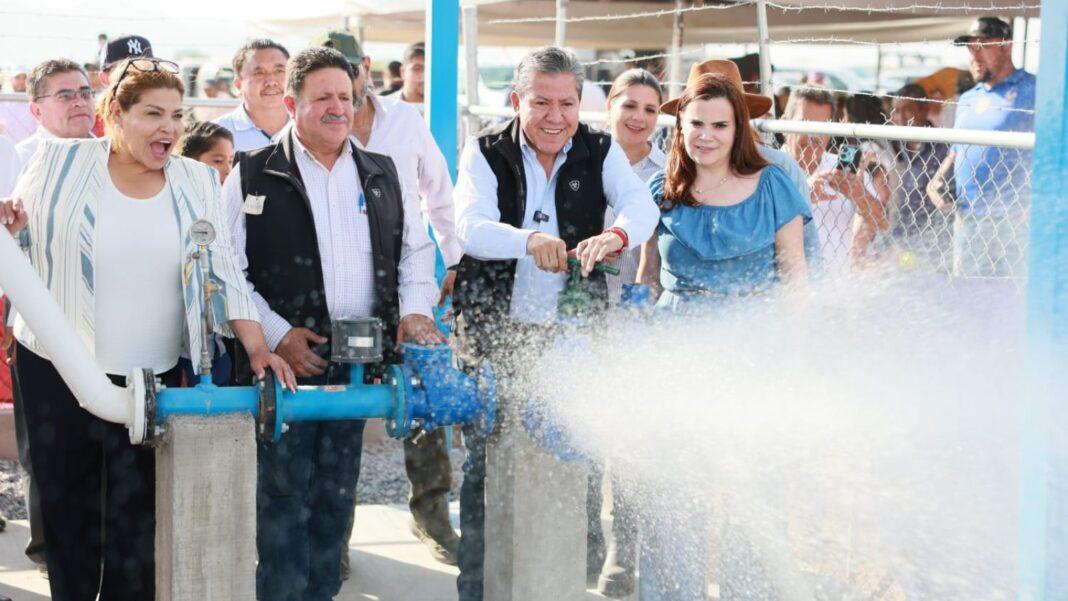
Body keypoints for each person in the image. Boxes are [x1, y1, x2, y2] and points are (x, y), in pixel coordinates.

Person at [1, 56, 293, 601]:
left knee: (137, 518)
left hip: (149, 378)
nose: (169, 128)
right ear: (116, 113)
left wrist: (257, 347)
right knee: (66, 509)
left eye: (177, 115)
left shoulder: (197, 180)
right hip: (58, 368)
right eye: (153, 114)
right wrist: (12, 224)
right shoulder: (59, 162)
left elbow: (224, 270)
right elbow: (19, 241)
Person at [222, 46, 442, 601]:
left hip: (358, 365)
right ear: (291, 103)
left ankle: (321, 593)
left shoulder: (383, 171)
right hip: (283, 369)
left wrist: (415, 312)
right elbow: (227, 269)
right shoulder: (251, 173)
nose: (338, 107)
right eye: (323, 97)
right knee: (282, 496)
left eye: (345, 96)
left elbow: (416, 252)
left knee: (335, 497)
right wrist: (277, 336)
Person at [452, 45, 658, 601]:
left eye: (567, 103)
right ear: (516, 101)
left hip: (571, 337)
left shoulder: (600, 149)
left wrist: (616, 235)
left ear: (580, 104)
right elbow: (470, 228)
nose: (555, 116)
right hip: (496, 333)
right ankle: (478, 588)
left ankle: (564, 580)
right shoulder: (484, 151)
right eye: (541, 102)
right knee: (484, 467)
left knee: (572, 457)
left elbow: (641, 205)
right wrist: (529, 241)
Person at [635, 73, 809, 600]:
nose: (706, 136)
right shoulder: (660, 192)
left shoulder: (775, 185)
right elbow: (647, 278)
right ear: (680, 127)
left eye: (719, 125)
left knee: (754, 495)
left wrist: (796, 364)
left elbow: (796, 279)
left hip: (754, 354)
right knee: (672, 494)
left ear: (739, 130)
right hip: (674, 354)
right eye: (696, 124)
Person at [316, 29, 463, 568]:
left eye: (350, 70)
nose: (345, 85)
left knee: (425, 395)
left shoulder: (405, 121)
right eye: (331, 76)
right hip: (342, 288)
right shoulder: (313, 126)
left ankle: (432, 514)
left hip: (406, 283)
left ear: (367, 67)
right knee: (339, 411)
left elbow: (439, 196)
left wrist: (457, 261)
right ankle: (335, 537)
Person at [585, 66, 665, 599]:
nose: (638, 117)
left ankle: (623, 549)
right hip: (587, 316)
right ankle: (588, 537)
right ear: (610, 106)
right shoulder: (584, 158)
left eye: (650, 109)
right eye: (629, 105)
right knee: (586, 430)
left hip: (642, 324)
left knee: (633, 439)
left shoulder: (671, 169)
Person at [928, 16, 1035, 278]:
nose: (974, 55)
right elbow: (956, 151)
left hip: (1013, 221)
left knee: (1013, 295)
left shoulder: (1033, 89)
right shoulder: (968, 98)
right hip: (968, 219)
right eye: (970, 47)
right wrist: (937, 180)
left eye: (982, 46)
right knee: (969, 295)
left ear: (1006, 46)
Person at [782, 85, 885, 274]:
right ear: (784, 124)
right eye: (804, 125)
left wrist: (859, 195)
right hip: (787, 285)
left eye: (822, 127)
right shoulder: (768, 168)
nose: (813, 136)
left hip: (836, 285)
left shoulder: (843, 168)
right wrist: (802, 195)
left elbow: (883, 223)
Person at [888, 83, 952, 272]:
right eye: (896, 111)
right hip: (903, 243)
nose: (901, 117)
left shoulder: (943, 149)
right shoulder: (900, 146)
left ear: (924, 109)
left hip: (934, 247)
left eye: (908, 110)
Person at [839, 92, 895, 264]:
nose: (842, 121)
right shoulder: (886, 143)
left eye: (845, 115)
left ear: (853, 116)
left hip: (869, 235)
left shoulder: (863, 149)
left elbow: (875, 197)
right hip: (880, 227)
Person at [17, 60, 96, 171]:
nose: (81, 102)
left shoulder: (112, 156)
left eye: (86, 94)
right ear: (37, 111)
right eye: (65, 96)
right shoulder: (19, 162)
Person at [214, 39, 291, 152]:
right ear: (238, 84)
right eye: (259, 73)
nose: (271, 82)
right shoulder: (214, 136)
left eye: (279, 71)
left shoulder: (310, 130)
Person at [93, 34, 154, 137]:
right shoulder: (90, 123)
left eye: (147, 68)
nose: (139, 76)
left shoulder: (169, 115)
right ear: (105, 78)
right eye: (127, 70)